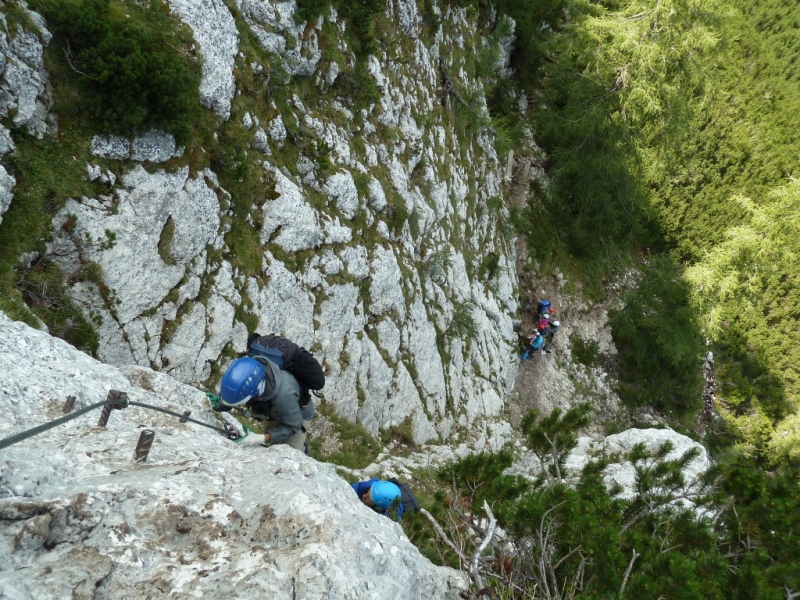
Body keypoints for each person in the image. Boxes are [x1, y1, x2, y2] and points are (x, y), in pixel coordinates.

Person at [212, 355, 307, 452]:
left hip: (296, 416)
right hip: (271, 412)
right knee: (275, 445)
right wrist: (219, 402)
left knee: (291, 452)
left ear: (253, 392)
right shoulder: (251, 372)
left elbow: (294, 425)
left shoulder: (284, 396)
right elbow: (235, 387)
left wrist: (260, 438)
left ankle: (304, 451)